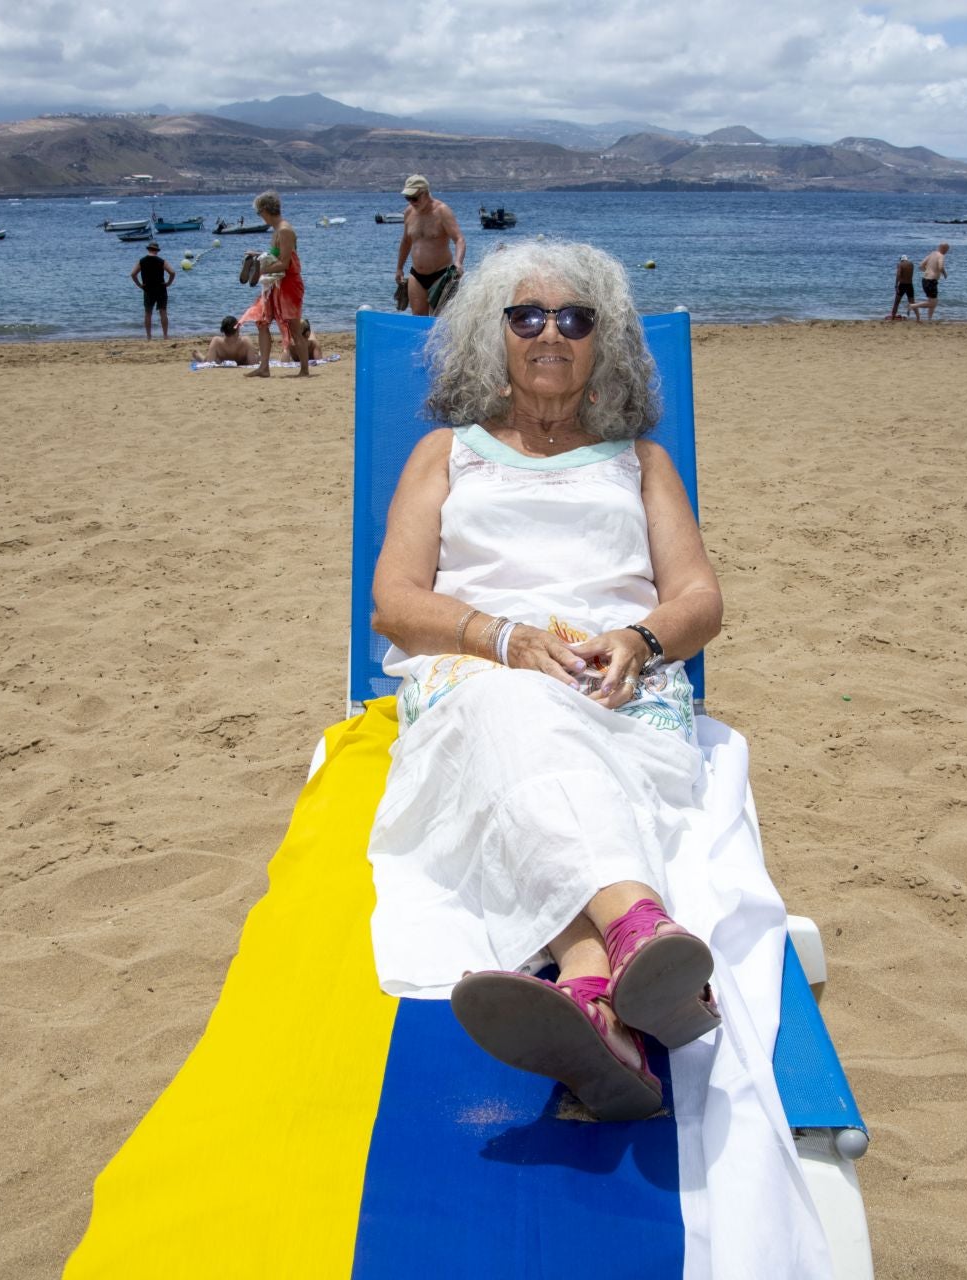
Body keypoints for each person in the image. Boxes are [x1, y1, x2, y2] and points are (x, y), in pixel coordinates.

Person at [368, 241, 725, 1121]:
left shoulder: (639, 461)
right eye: (526, 315)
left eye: (576, 316)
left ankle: (588, 982)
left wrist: (640, 639)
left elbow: (700, 600)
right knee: (508, 703)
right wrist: (503, 637)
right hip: (477, 668)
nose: (550, 332)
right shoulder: (446, 455)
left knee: (526, 732)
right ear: (495, 338)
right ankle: (638, 923)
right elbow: (393, 601)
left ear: (606, 342)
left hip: (616, 684)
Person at [243, 191, 308, 378]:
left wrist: (259, 270)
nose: (260, 216)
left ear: (265, 210)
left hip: (289, 285)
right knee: (262, 322)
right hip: (275, 284)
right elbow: (276, 257)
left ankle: (304, 370)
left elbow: (285, 263)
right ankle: (264, 367)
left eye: (259, 213)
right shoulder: (277, 230)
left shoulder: (285, 230)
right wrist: (259, 256)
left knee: (295, 328)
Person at [395, 175, 466, 317]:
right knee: (418, 318)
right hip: (416, 275)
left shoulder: (442, 211)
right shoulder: (409, 212)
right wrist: (399, 268)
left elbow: (459, 239)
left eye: (415, 198)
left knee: (441, 318)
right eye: (408, 198)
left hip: (441, 275)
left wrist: (458, 262)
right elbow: (406, 242)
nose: (412, 202)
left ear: (425, 193)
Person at [131, 242, 175, 339]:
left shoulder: (142, 261)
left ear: (149, 249)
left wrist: (140, 285)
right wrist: (168, 283)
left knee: (148, 313)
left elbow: (133, 274)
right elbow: (172, 272)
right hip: (161, 288)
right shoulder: (161, 261)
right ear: (157, 250)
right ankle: (165, 335)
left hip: (148, 289)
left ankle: (149, 336)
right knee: (163, 312)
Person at [915, 242, 949, 322]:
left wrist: (927, 271)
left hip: (925, 280)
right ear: (943, 248)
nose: (947, 251)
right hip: (931, 281)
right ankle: (913, 306)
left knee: (932, 302)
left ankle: (929, 319)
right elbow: (940, 267)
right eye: (947, 249)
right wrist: (944, 273)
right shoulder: (941, 256)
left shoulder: (932, 254)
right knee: (933, 303)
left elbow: (921, 266)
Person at [889, 255, 915, 320]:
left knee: (896, 302)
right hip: (910, 285)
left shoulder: (900, 264)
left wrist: (896, 285)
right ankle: (915, 316)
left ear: (901, 260)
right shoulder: (911, 264)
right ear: (906, 259)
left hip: (902, 285)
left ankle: (892, 317)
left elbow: (898, 274)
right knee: (912, 302)